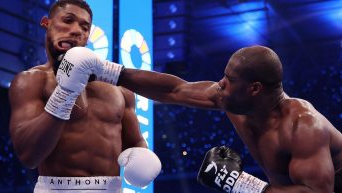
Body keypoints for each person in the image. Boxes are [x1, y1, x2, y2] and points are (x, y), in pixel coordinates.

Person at [113, 45, 342, 192]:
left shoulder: (303, 126)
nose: (220, 83)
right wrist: (113, 73)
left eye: (229, 79)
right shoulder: (230, 99)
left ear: (254, 88)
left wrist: (240, 183)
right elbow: (174, 90)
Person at [8, 1, 160, 193]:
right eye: (68, 20)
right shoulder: (31, 81)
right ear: (47, 23)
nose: (76, 30)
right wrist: (65, 93)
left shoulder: (117, 86)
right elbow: (29, 156)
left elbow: (135, 141)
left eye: (84, 27)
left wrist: (142, 155)